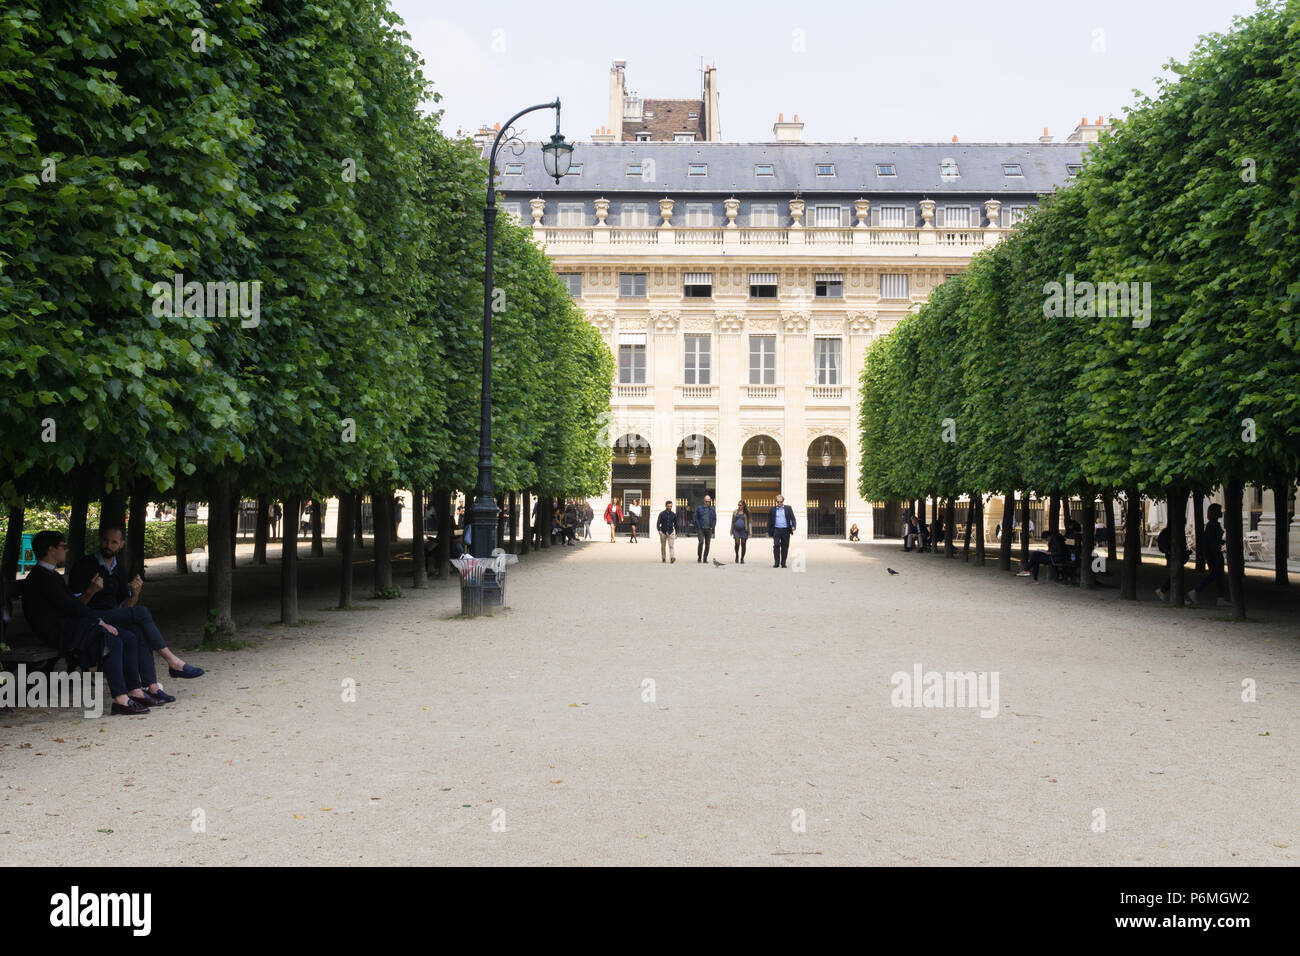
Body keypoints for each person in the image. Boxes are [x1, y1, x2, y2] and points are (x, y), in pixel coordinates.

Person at [21, 530, 155, 715]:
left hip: (68, 627)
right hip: (57, 631)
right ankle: (121, 699)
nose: (66, 550)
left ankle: (135, 690)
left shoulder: (50, 575)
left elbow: (72, 606)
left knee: (129, 637)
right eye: (63, 546)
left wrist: (96, 617)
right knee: (111, 638)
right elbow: (71, 608)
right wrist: (100, 622)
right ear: (51, 549)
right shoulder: (42, 577)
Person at [69, 525, 204, 689]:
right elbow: (74, 608)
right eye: (105, 540)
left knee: (139, 629)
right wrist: (91, 591)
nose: (108, 545)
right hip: (89, 617)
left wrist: (135, 593)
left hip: (111, 615)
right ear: (100, 540)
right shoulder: (84, 565)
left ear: (121, 544)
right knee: (142, 612)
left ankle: (151, 686)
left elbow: (126, 608)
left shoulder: (119, 569)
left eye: (113, 542)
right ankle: (172, 661)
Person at [1187, 503, 1230, 607]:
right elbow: (1212, 542)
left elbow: (1214, 541)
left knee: (1218, 575)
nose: (1221, 512)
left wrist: (1222, 542)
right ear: (1215, 512)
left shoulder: (1213, 525)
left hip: (1213, 553)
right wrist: (1216, 553)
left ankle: (1220, 597)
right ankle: (1196, 591)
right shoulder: (1213, 525)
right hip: (1213, 553)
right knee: (1214, 574)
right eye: (1219, 510)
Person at [768, 494, 796, 568]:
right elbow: (769, 520)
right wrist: (768, 531)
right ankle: (776, 562)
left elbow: (792, 518)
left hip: (786, 530)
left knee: (785, 547)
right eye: (778, 502)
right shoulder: (773, 509)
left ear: (783, 501)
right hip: (776, 530)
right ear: (776, 502)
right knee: (776, 545)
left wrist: (793, 526)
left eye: (781, 502)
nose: (779, 503)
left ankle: (783, 563)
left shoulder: (788, 508)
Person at [694, 495, 717, 563]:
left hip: (708, 529)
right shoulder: (699, 508)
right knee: (701, 542)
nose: (708, 503)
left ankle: (705, 558)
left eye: (709, 501)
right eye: (706, 501)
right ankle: (699, 557)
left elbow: (714, 519)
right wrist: (698, 526)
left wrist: (712, 526)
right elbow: (696, 518)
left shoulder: (712, 509)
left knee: (707, 544)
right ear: (704, 501)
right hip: (701, 528)